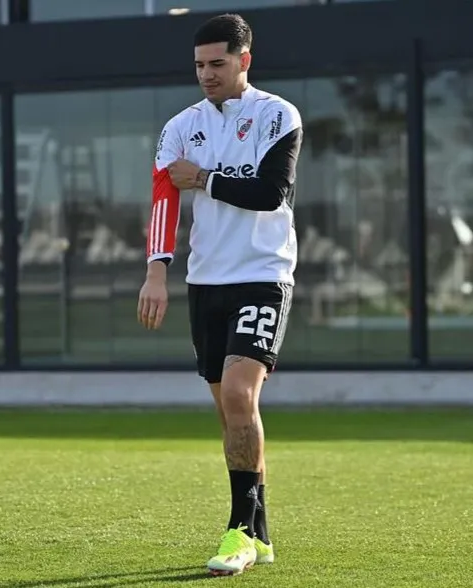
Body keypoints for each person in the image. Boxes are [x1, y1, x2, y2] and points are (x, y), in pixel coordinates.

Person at [136, 13, 303, 577]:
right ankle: (260, 531)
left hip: (263, 272)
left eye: (218, 63)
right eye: (199, 65)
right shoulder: (180, 126)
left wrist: (204, 178)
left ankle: (236, 531)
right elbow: (163, 199)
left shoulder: (278, 115)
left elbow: (271, 193)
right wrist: (156, 271)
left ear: (243, 60)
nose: (206, 74)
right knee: (235, 410)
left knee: (238, 393)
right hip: (206, 282)